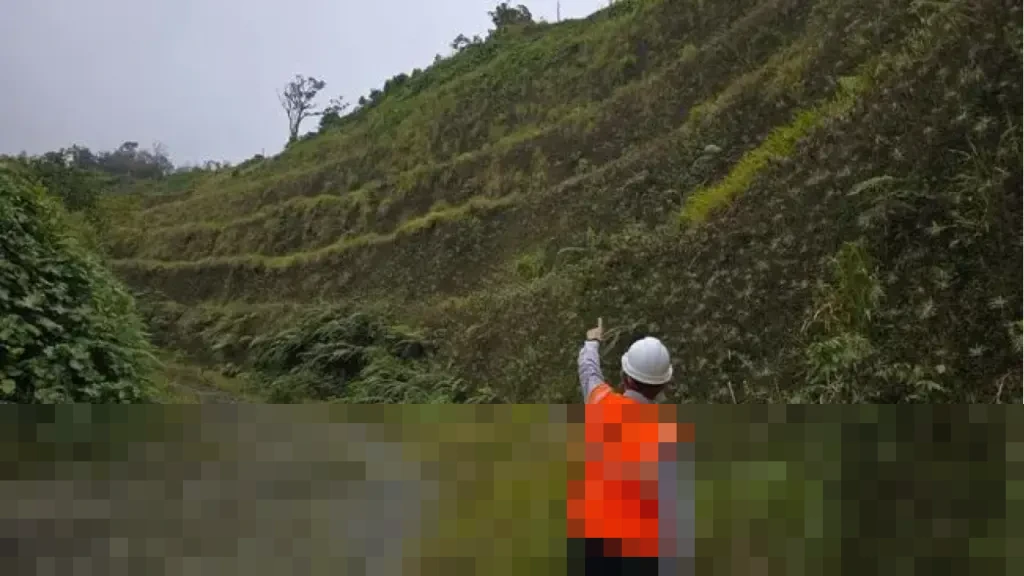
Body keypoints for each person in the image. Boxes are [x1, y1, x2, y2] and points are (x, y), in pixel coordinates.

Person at [567, 318, 677, 575]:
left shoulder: (600, 402)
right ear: (663, 385)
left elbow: (588, 371)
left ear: (626, 377)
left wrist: (592, 341)